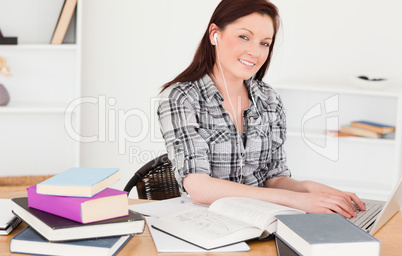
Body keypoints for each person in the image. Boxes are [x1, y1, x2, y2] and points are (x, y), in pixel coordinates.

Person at [157, 0, 365, 218]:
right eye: (244, 37)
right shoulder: (181, 97)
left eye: (264, 43)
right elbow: (199, 187)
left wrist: (310, 189)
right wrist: (297, 200)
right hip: (207, 225)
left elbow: (273, 178)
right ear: (214, 35)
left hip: (263, 221)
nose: (255, 52)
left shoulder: (269, 98)